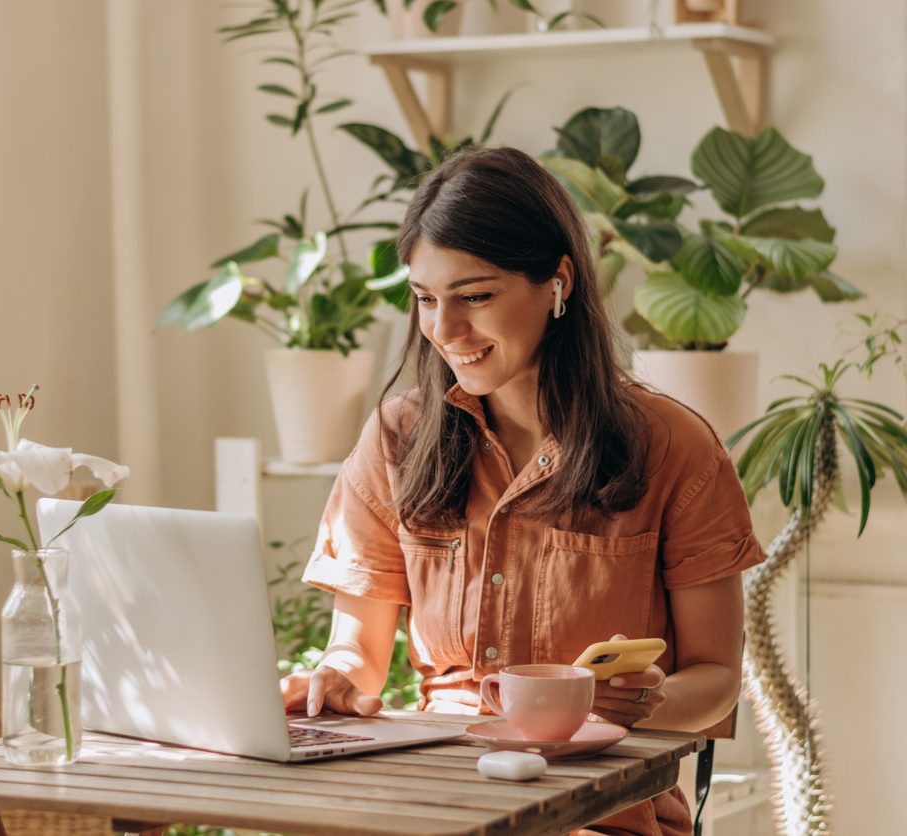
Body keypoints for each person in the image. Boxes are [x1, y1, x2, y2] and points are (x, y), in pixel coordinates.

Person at [280, 146, 766, 835]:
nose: (445, 331)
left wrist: (645, 704)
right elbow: (356, 653)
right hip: (432, 798)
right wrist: (331, 679)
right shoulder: (399, 436)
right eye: (425, 299)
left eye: (475, 296)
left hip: (601, 810)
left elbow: (717, 674)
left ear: (557, 283)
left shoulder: (673, 446)